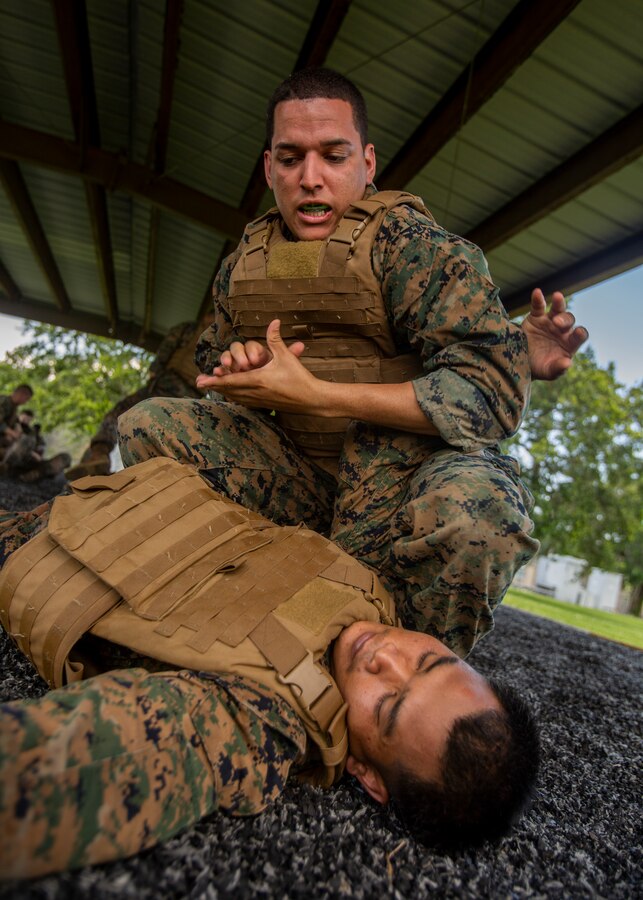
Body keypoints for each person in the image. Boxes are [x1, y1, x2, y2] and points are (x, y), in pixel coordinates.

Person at [117, 68, 588, 660]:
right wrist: (248, 368)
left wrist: (316, 393)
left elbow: (490, 393)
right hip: (300, 477)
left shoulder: (414, 248)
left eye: (333, 156)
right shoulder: (245, 263)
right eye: (290, 159)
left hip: (403, 483)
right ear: (269, 168)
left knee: (479, 520)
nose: (310, 179)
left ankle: (407, 676)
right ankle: (243, 614)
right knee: (148, 426)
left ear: (367, 162)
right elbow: (215, 361)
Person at [0, 458, 539, 880]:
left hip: (27, 551)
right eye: (429, 660)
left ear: (368, 775)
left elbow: (80, 764)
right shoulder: (376, 595)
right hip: (106, 503)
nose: (385, 657)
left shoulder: (262, 722)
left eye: (390, 704)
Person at [65, 313, 215, 481]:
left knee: (121, 414)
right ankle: (102, 460)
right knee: (156, 434)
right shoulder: (217, 338)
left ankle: (101, 455)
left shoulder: (195, 330)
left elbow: (166, 349)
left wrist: (155, 371)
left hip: (169, 386)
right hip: (186, 395)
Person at [1, 413, 71, 483]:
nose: (26, 420)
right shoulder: (15, 424)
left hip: (20, 458)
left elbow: (37, 452)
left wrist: (33, 454)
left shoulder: (37, 439)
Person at [0, 383, 34, 451]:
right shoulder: (4, 401)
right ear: (21, 394)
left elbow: (16, 422)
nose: (25, 402)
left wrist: (17, 428)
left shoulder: (13, 408)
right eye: (26, 399)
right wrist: (11, 433)